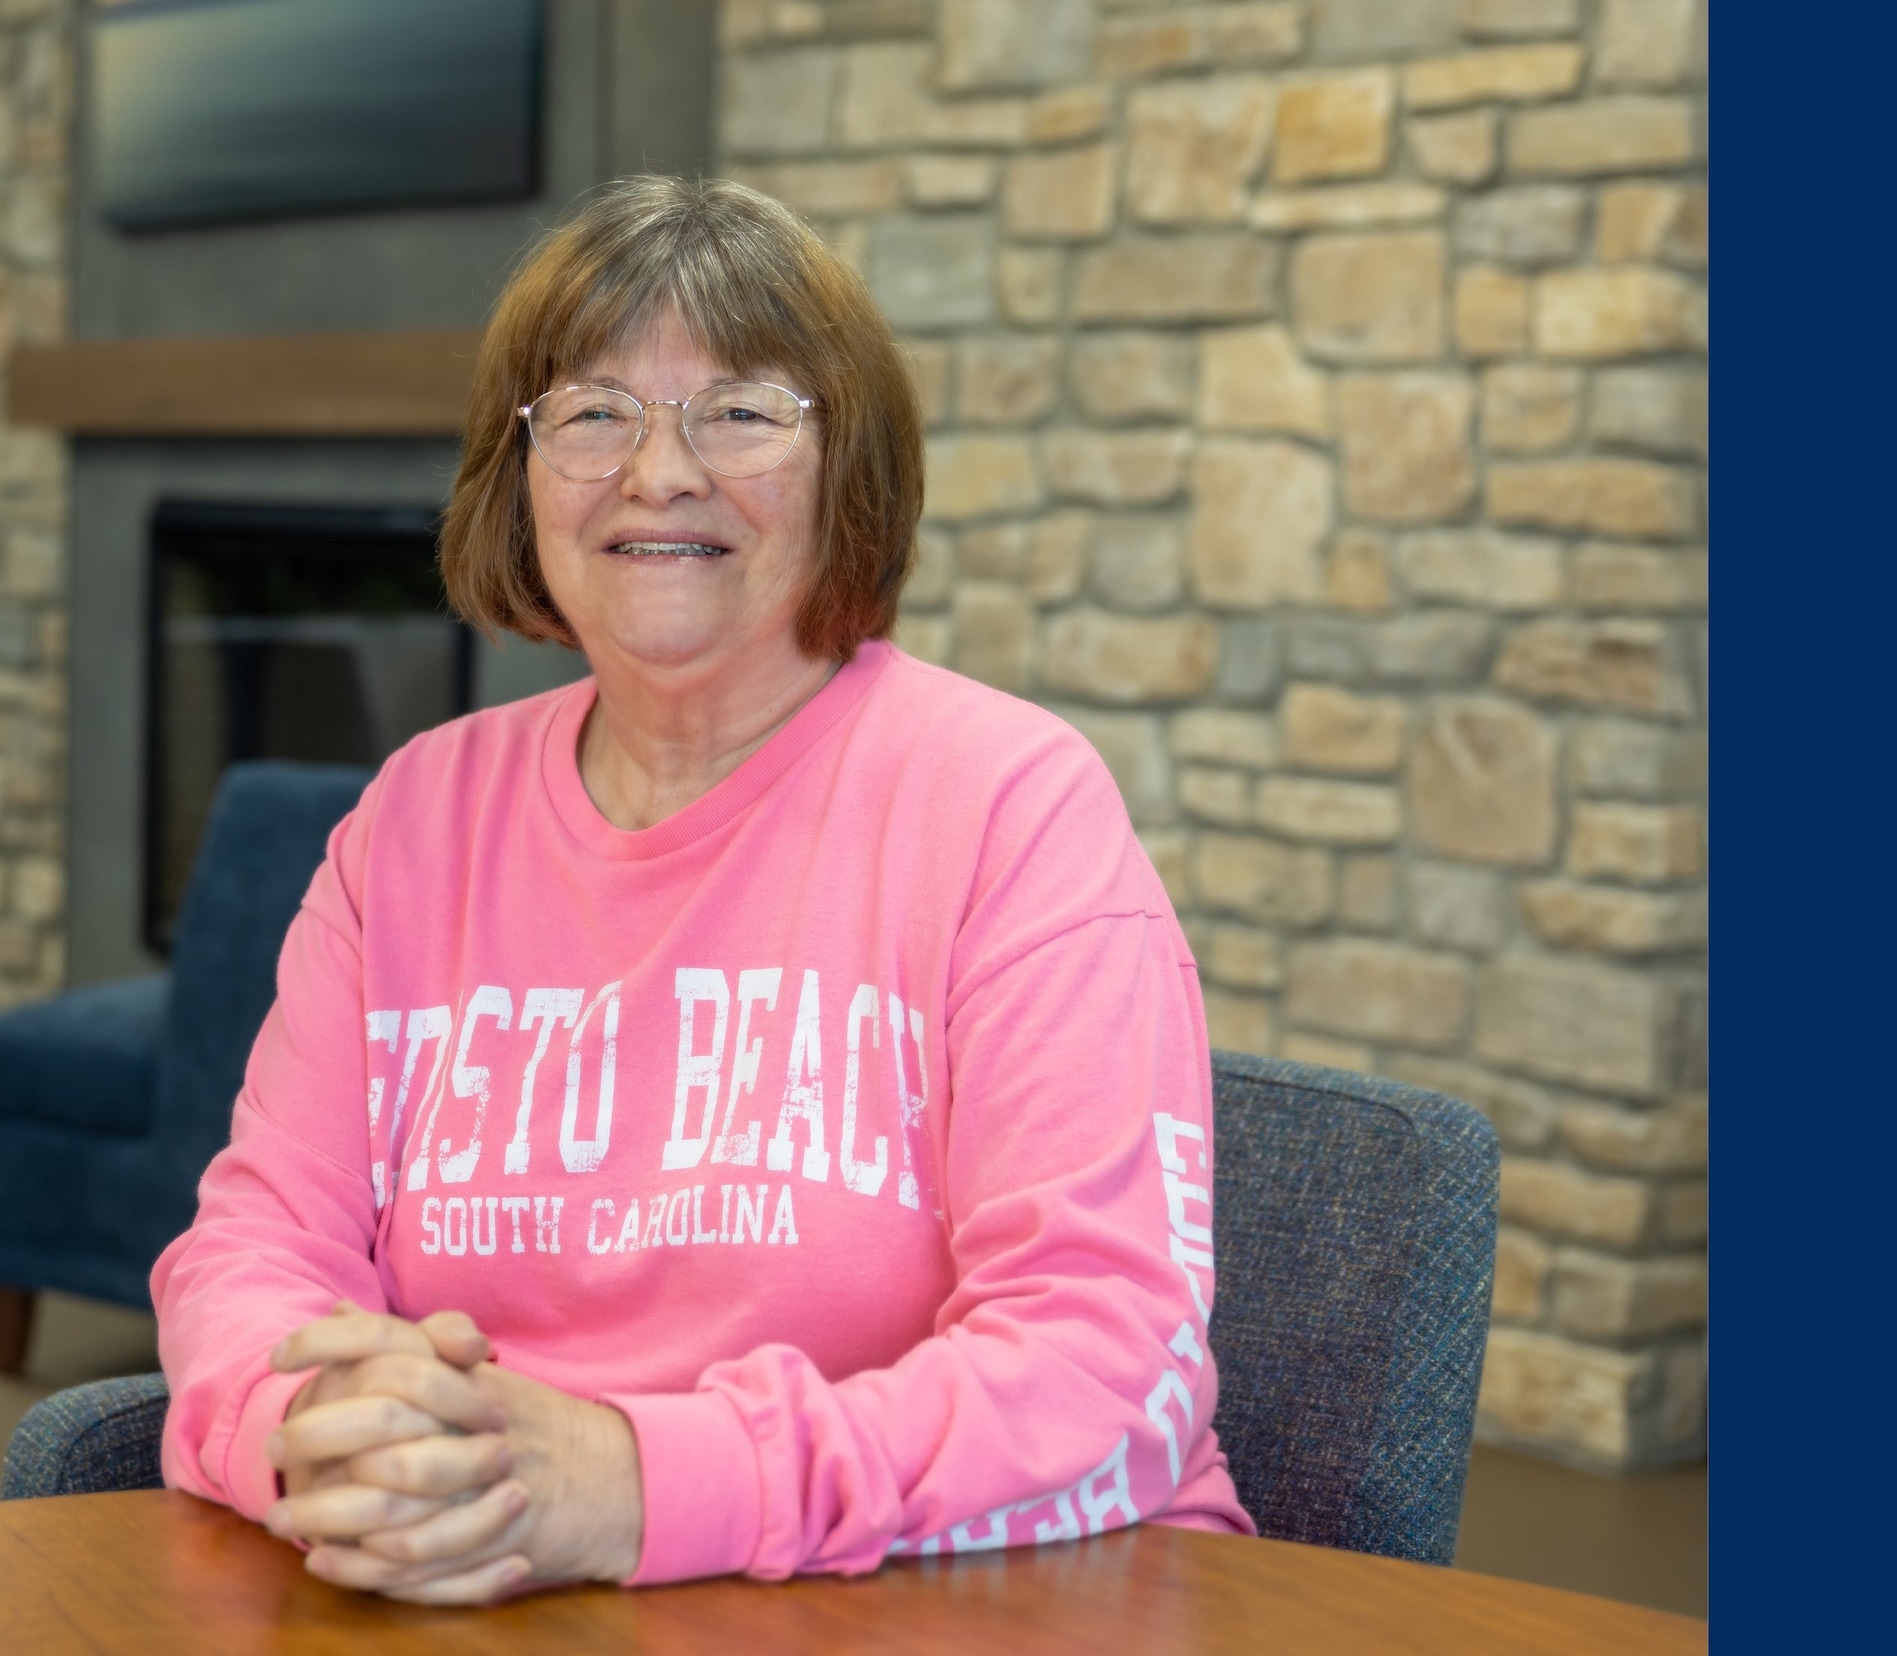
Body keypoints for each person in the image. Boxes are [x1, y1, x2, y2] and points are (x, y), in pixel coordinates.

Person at [146, 176, 1249, 1605]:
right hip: (502, 1593)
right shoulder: (415, 818)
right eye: (594, 413)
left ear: (845, 468)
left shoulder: (1011, 809)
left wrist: (629, 1481)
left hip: (972, 1600)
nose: (660, 471)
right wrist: (317, 1434)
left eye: (739, 412)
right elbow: (256, 1245)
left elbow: (1107, 1364)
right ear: (520, 475)